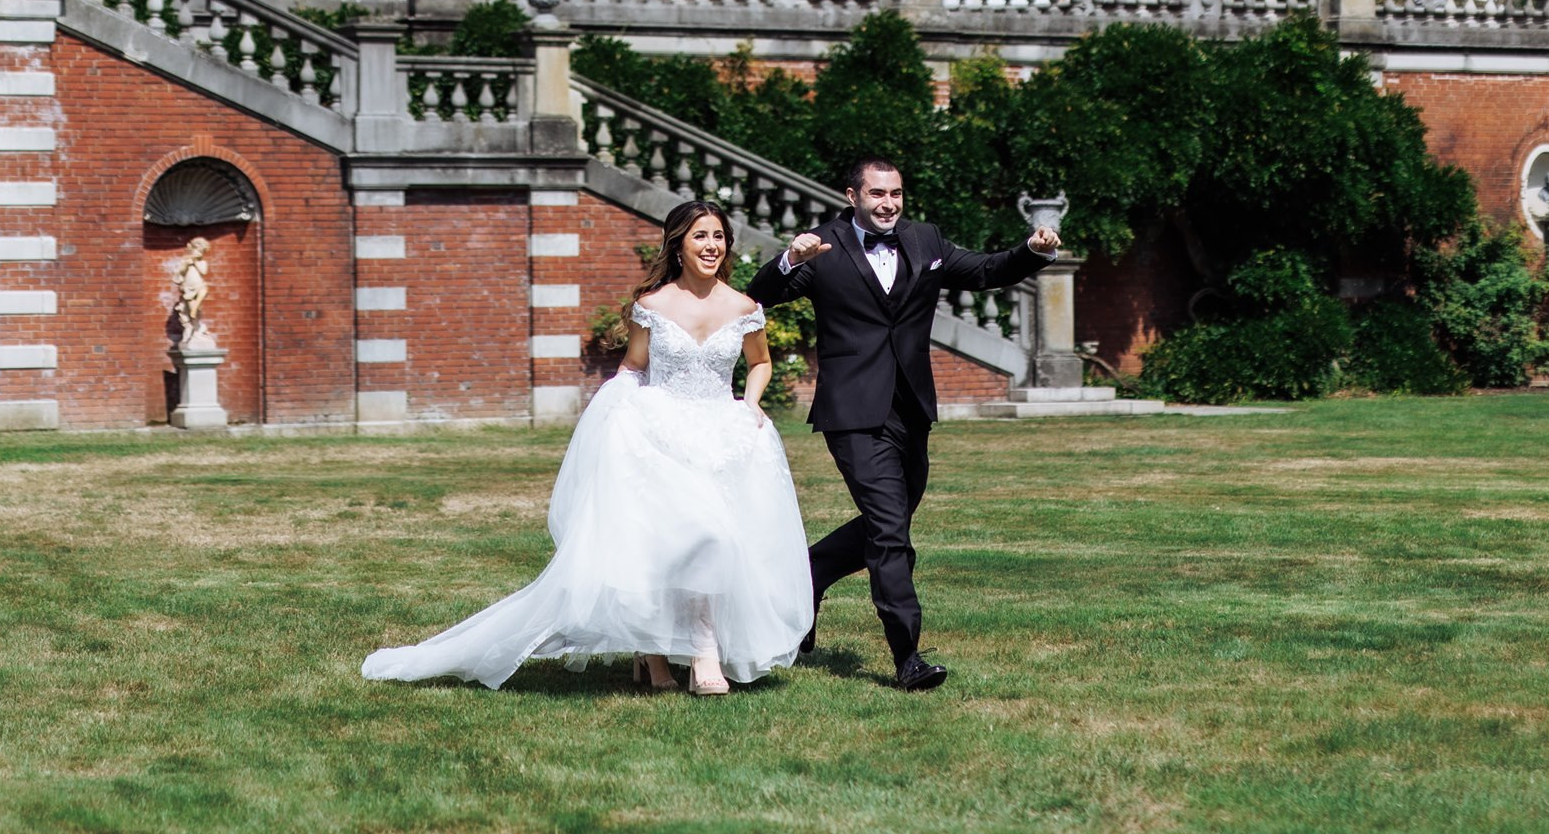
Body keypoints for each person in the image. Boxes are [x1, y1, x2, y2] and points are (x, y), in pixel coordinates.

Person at [362, 201, 812, 695]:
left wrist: (749, 403)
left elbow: (761, 362)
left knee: (715, 540)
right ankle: (689, 654)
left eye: (719, 236)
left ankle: (668, 653)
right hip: (660, 429)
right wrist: (616, 414)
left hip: (722, 433)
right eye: (700, 236)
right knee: (674, 542)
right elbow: (634, 367)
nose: (711, 246)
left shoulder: (744, 308)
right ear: (678, 245)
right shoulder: (653, 305)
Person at [748, 159, 1060, 691]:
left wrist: (1032, 251)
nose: (888, 203)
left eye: (896, 193)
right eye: (876, 194)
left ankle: (811, 573)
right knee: (890, 533)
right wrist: (787, 261)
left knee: (890, 516)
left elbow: (983, 271)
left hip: (911, 407)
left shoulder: (926, 239)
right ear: (853, 196)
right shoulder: (821, 246)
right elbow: (761, 294)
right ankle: (907, 656)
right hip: (852, 412)